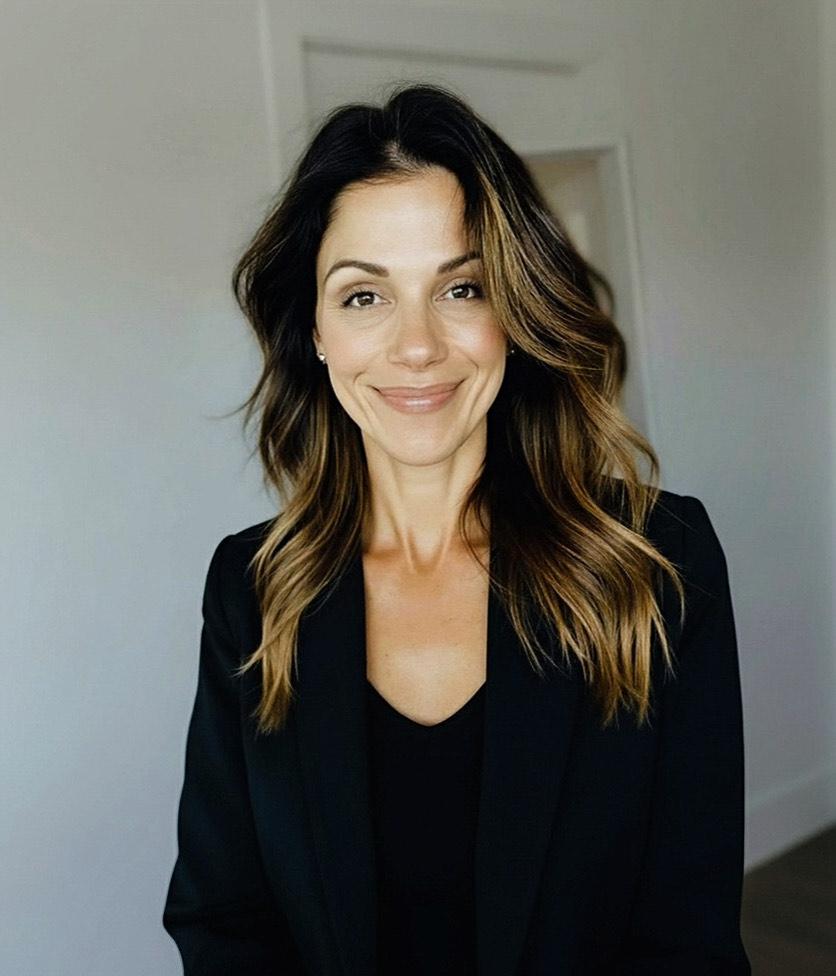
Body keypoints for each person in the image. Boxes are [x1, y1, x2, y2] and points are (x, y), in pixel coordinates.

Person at [163, 85, 750, 975]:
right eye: (364, 296)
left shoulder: (659, 563)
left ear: (514, 312)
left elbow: (688, 945)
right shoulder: (251, 588)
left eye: (461, 288)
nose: (417, 346)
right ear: (314, 330)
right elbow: (222, 919)